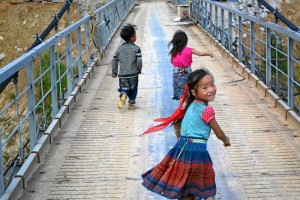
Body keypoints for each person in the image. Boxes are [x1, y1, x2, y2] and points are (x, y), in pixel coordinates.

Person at [141, 68, 231, 200]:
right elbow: (218, 133)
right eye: (205, 88)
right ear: (194, 92)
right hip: (198, 153)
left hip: (181, 151)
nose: (211, 90)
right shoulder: (207, 110)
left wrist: (183, 141)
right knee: (206, 188)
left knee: (187, 189)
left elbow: (177, 124)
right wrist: (226, 140)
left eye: (212, 84)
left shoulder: (189, 105)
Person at [168, 30, 214, 138]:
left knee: (179, 89)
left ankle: (182, 102)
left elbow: (172, 62)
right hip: (187, 73)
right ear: (185, 41)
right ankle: (186, 102)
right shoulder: (189, 50)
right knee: (188, 88)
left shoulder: (173, 52)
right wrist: (208, 53)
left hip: (177, 73)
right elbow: (199, 53)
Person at [112, 23, 142, 109]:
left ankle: (123, 93)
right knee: (133, 88)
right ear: (132, 37)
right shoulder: (136, 49)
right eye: (135, 35)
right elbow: (139, 61)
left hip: (123, 74)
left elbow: (114, 59)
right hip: (133, 74)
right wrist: (139, 70)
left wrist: (114, 72)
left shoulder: (120, 49)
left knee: (124, 87)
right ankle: (132, 99)